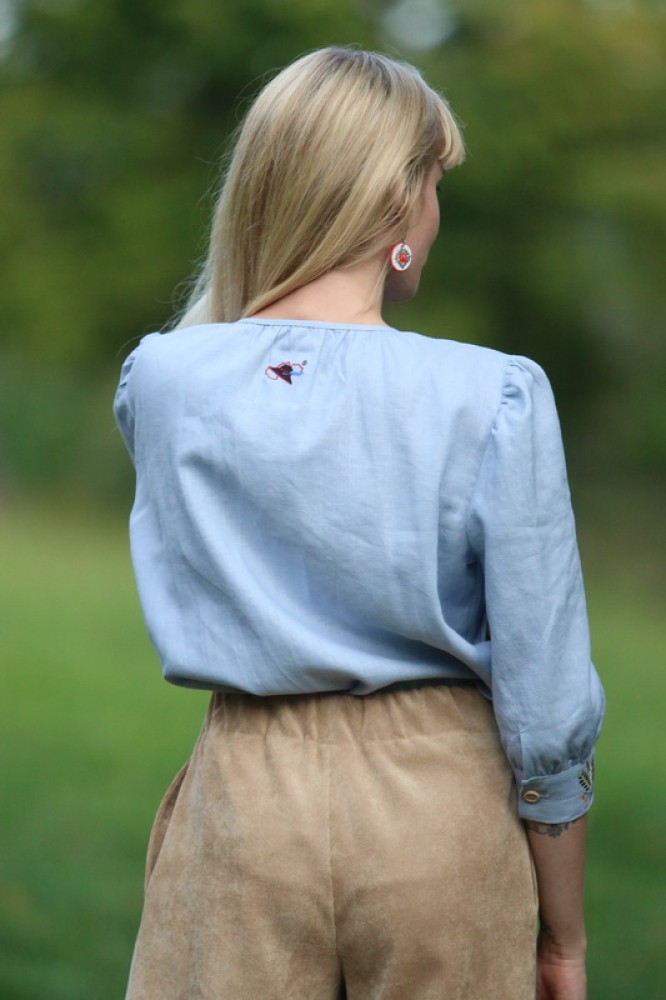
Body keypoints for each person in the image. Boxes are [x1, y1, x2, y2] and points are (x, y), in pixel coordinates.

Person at [114, 46, 605, 1000]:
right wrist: (565, 939)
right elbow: (546, 703)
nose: (436, 211)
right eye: (434, 184)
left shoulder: (162, 380)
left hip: (243, 811)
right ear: (395, 203)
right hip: (441, 812)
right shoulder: (493, 395)